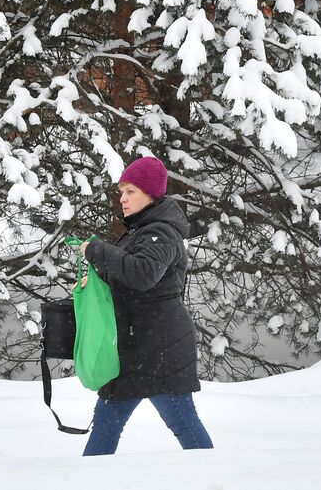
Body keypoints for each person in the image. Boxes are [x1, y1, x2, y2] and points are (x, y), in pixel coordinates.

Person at [78, 155, 213, 456]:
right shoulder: (142, 231)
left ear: (150, 194)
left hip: (160, 352)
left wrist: (98, 250)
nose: (123, 199)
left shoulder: (161, 232)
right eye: (121, 192)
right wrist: (97, 280)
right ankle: (86, 481)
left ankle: (213, 477)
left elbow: (142, 274)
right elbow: (127, 275)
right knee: (106, 423)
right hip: (137, 349)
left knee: (183, 423)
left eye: (131, 192)